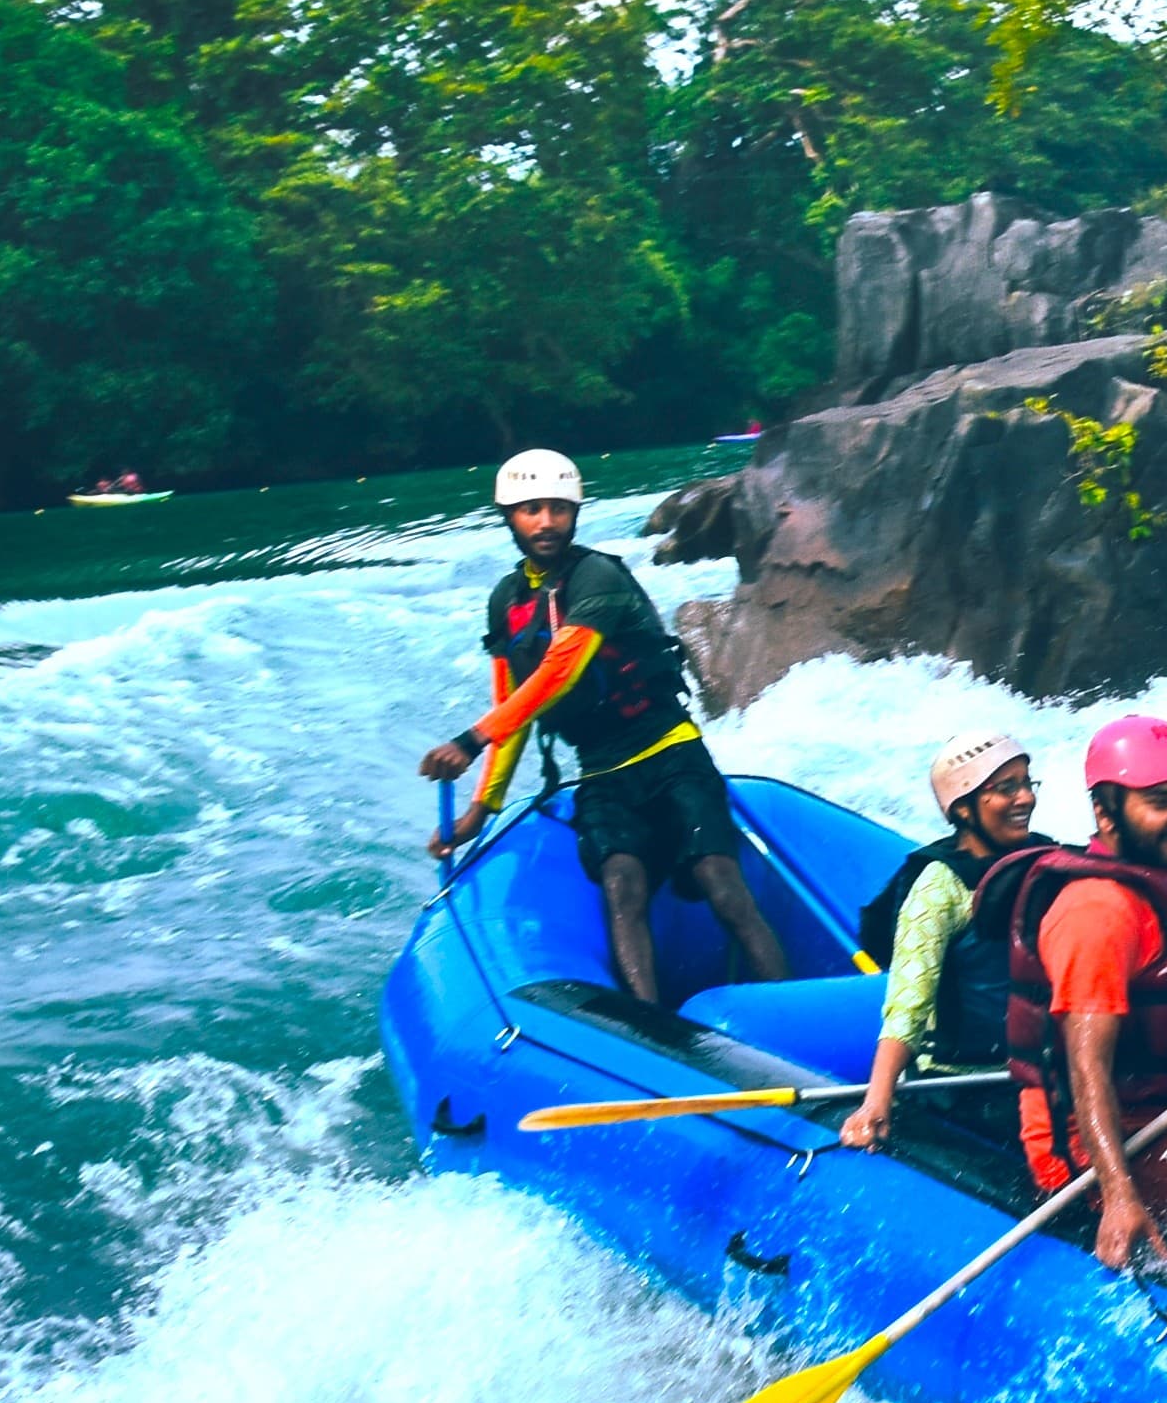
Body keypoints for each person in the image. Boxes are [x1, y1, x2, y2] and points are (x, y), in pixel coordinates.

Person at [415, 446, 790, 1005]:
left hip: (671, 755)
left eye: (558, 509)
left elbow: (561, 671)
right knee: (621, 885)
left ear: (575, 513)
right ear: (509, 518)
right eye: (530, 509)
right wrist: (480, 810)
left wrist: (471, 740)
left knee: (720, 880)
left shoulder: (597, 577)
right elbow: (515, 705)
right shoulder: (507, 601)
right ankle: (653, 1029)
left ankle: (783, 1007)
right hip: (602, 773)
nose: (546, 522)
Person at [976, 713, 1167, 1264]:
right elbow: (1086, 1069)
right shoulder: (1097, 910)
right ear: (1105, 811)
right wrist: (1119, 1194)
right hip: (1098, 1146)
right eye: (1160, 801)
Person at [841, 729, 1035, 1149]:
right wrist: (878, 1099)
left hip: (1038, 1080)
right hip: (957, 1091)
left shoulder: (1043, 862)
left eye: (1026, 783)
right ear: (964, 809)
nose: (1026, 799)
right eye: (1006, 789)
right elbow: (908, 1005)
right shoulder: (937, 887)